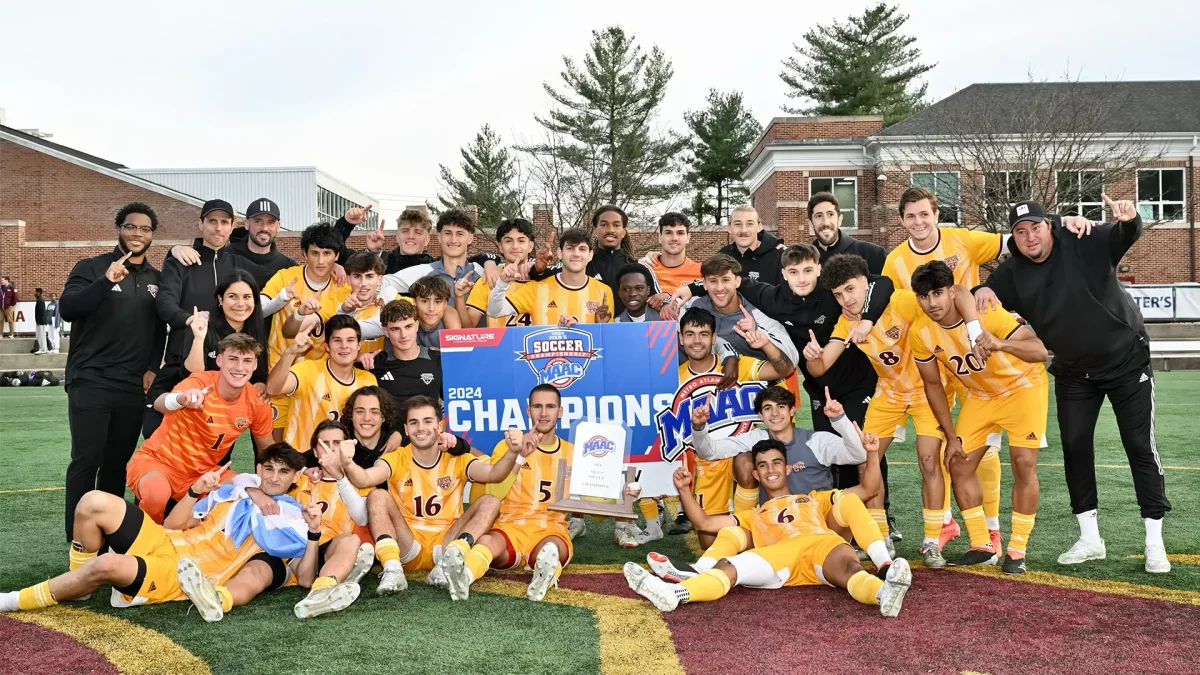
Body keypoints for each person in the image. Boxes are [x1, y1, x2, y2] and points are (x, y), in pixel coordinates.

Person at [974, 197, 1172, 573]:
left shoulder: (1082, 237)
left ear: (1049, 225)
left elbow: (1124, 233)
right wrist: (981, 291)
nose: (1029, 236)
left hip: (1126, 361)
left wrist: (1131, 219)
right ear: (1013, 238)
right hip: (1074, 372)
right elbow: (977, 296)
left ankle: (1153, 541)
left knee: (1138, 444)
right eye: (1019, 231)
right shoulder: (1013, 271)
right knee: (1075, 447)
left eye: (1035, 226)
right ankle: (1089, 538)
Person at [807, 253, 981, 566]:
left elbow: (894, 285)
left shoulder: (898, 301)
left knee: (929, 461)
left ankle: (932, 541)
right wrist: (811, 355)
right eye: (837, 294)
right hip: (889, 394)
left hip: (928, 391)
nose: (845, 300)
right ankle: (881, 538)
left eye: (850, 289)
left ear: (864, 282)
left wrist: (975, 328)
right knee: (865, 457)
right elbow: (820, 367)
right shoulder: (846, 320)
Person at [2, 444, 309, 616]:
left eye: (283, 472)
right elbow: (174, 525)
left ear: (295, 478)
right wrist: (194, 491)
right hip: (166, 539)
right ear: (258, 469)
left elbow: (285, 568)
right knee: (92, 502)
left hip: (180, 569)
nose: (273, 477)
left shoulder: (291, 517)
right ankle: (80, 588)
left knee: (107, 563)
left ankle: (15, 599)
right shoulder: (233, 492)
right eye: (268, 468)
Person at [623, 440, 911, 617]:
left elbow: (869, 489)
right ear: (756, 474)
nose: (771, 468)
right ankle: (675, 593)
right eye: (763, 465)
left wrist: (872, 455)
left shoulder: (813, 499)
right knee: (728, 564)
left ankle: (884, 582)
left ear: (787, 468)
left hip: (821, 546)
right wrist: (684, 489)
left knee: (851, 566)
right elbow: (705, 523)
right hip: (779, 556)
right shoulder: (752, 515)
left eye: (776, 462)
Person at [911, 260, 1050, 574]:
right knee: (956, 462)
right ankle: (982, 545)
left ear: (951, 292)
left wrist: (1000, 343)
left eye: (937, 294)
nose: (931, 303)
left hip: (1022, 387)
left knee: (1023, 463)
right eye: (923, 296)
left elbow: (1040, 350)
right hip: (982, 396)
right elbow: (933, 385)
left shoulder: (984, 311)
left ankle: (1017, 550)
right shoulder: (921, 333)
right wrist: (948, 435)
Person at [442, 384, 643, 602]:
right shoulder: (507, 445)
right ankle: (463, 578)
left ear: (560, 411)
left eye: (550, 406)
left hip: (550, 527)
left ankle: (545, 575)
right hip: (510, 525)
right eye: (538, 406)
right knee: (488, 543)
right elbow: (495, 492)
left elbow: (593, 503)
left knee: (551, 548)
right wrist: (519, 456)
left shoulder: (574, 453)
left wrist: (623, 495)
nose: (544, 413)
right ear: (528, 411)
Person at [60, 203, 166, 538]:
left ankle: (105, 537)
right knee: (86, 460)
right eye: (131, 227)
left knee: (115, 466)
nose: (138, 234)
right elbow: (69, 309)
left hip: (132, 387)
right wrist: (105, 281)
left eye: (145, 229)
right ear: (118, 228)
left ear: (152, 235)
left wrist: (152, 367)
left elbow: (159, 329)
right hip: (90, 380)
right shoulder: (91, 267)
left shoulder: (156, 279)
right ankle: (78, 541)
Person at [340, 396, 513, 595]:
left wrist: (513, 452)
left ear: (439, 425)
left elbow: (494, 475)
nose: (420, 428)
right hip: (408, 544)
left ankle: (453, 558)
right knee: (377, 495)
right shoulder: (397, 457)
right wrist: (347, 463)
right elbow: (364, 479)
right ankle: (392, 568)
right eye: (414, 422)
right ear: (406, 429)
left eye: (427, 421)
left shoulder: (457, 458)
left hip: (446, 543)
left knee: (490, 502)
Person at [149, 199, 271, 437]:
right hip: (180, 364)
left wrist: (336, 267)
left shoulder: (240, 264)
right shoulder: (182, 260)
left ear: (232, 226)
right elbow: (164, 304)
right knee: (162, 442)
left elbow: (287, 272)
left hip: (223, 373)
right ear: (200, 224)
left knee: (210, 452)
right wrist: (192, 322)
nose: (218, 228)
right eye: (212, 221)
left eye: (224, 222)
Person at [126, 333, 276, 524]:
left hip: (204, 473)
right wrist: (181, 399)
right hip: (159, 462)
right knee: (156, 492)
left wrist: (298, 468)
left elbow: (268, 449)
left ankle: (190, 540)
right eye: (233, 359)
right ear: (220, 360)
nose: (240, 367)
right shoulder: (200, 382)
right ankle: (137, 539)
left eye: (247, 360)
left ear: (255, 365)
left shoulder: (256, 402)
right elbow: (159, 403)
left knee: (245, 491)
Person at [675, 307, 795, 546]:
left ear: (714, 338)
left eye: (703, 334)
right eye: (690, 334)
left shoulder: (739, 366)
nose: (696, 341)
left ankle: (746, 522)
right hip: (706, 463)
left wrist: (766, 344)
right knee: (708, 544)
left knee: (746, 461)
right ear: (680, 338)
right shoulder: (673, 378)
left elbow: (784, 369)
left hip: (741, 450)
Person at [260, 223, 351, 439]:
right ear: (304, 253)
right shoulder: (286, 277)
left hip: (315, 381)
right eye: (315, 253)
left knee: (314, 445)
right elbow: (258, 309)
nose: (321, 261)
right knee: (275, 448)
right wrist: (281, 298)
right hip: (278, 373)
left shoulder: (342, 288)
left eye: (327, 253)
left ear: (336, 256)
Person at [266, 313, 377, 452]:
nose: (344, 346)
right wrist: (290, 353)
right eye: (337, 340)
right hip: (301, 464)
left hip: (341, 464)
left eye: (350, 340)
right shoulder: (308, 370)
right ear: (327, 346)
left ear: (359, 345)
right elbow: (272, 389)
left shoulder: (368, 380)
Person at [674, 254, 799, 367]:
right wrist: (664, 300)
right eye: (713, 281)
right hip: (707, 384)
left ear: (737, 281)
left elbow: (790, 362)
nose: (719, 288)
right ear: (704, 284)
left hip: (755, 384)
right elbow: (671, 310)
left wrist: (760, 334)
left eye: (726, 280)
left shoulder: (758, 313)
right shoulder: (695, 305)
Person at [488, 228, 614, 326]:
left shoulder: (604, 291)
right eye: (570, 248)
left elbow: (607, 340)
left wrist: (601, 327)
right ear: (559, 253)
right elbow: (494, 312)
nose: (576, 254)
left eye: (582, 249)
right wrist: (502, 283)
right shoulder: (538, 288)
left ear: (590, 255)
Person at [377, 208, 497, 301]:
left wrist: (490, 262)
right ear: (439, 237)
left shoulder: (484, 271)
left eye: (460, 234)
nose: (453, 240)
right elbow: (373, 283)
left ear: (470, 238)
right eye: (448, 233)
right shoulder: (421, 272)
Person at [179, 270, 269, 386]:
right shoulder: (203, 327)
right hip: (202, 397)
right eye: (233, 296)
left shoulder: (257, 330)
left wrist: (260, 385)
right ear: (221, 299)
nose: (241, 304)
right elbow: (191, 377)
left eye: (247, 297)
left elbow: (259, 376)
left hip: (240, 400)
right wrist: (199, 339)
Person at [359, 300, 442, 413]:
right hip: (390, 430)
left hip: (426, 429)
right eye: (395, 329)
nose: (403, 335)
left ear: (416, 326)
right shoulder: (375, 363)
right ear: (386, 332)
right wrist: (357, 357)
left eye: (408, 326)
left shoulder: (438, 360)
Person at [456, 217, 537, 328]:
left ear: (530, 246)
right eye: (508, 241)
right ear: (500, 247)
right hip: (500, 345)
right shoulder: (488, 279)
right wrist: (459, 298)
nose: (515, 246)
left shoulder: (545, 278)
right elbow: (468, 328)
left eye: (521, 241)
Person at [637, 212, 703, 311]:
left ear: (688, 237)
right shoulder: (645, 268)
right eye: (668, 232)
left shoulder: (702, 271)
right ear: (659, 237)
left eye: (680, 233)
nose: (674, 238)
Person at [808, 191, 885, 272]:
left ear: (840, 219)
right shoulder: (806, 261)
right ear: (810, 223)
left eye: (830, 214)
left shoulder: (872, 254)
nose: (826, 222)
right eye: (819, 216)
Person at [227, 198, 298, 284]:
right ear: (247, 224)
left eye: (270, 222)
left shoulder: (289, 266)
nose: (264, 228)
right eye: (258, 221)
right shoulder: (226, 256)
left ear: (278, 226)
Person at [717, 205, 785, 286]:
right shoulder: (721, 257)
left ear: (759, 227)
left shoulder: (780, 257)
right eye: (738, 224)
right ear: (729, 228)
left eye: (750, 224)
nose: (744, 230)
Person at [338, 251, 387, 354]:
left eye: (369, 276)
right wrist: (344, 311)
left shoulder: (392, 301)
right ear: (348, 279)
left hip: (383, 368)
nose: (363, 283)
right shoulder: (333, 303)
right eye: (357, 276)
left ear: (379, 279)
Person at [407, 275, 461, 348]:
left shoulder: (450, 322)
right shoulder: (405, 322)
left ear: (445, 304)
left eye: (438, 302)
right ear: (414, 302)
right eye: (424, 301)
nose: (431, 308)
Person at [32, 288, 49, 354]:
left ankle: (43, 349)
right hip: (41, 321)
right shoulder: (40, 300)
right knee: (41, 335)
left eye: (35, 292)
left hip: (41, 321)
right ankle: (44, 348)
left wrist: (39, 322)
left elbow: (42, 312)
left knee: (41, 335)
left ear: (39, 292)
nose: (34, 293)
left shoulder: (40, 300)